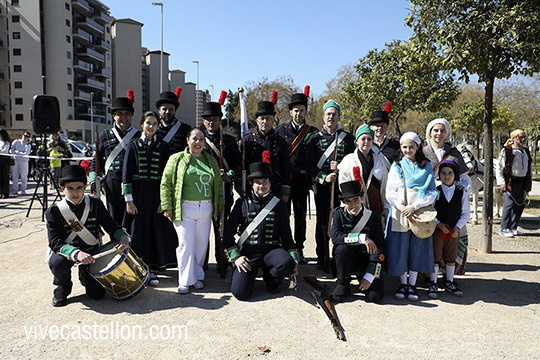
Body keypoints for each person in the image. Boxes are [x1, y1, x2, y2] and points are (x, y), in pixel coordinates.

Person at [46, 165, 130, 307]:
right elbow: (55, 243)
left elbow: (111, 226)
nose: (75, 193)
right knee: (57, 262)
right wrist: (76, 253)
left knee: (97, 295)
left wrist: (123, 238)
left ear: (85, 187)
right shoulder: (54, 211)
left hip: (92, 253)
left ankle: (85, 274)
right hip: (67, 253)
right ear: (62, 189)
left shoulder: (95, 204)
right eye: (70, 188)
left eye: (79, 187)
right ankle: (63, 285)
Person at [161, 127, 224, 294]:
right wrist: (167, 205)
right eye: (195, 139)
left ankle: (197, 276)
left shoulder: (210, 160)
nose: (198, 142)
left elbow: (217, 186)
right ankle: (184, 280)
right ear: (187, 140)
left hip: (205, 208)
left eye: (201, 139)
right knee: (185, 244)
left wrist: (219, 207)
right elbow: (166, 183)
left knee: (201, 245)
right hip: (184, 208)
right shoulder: (176, 159)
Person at [224, 162, 298, 301]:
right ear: (252, 184)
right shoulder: (242, 203)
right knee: (240, 293)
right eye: (258, 182)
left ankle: (270, 279)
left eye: (265, 182)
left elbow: (286, 234)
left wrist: (294, 260)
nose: (262, 186)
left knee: (287, 262)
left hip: (271, 250)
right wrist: (236, 257)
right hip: (249, 253)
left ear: (270, 183)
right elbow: (228, 233)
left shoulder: (279, 204)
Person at [122, 111, 178, 286]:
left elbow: (167, 176)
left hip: (156, 194)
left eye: (154, 123)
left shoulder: (164, 147)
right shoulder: (133, 146)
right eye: (148, 123)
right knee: (138, 231)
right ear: (141, 124)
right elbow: (126, 175)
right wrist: (129, 201)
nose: (151, 126)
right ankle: (137, 268)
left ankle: (152, 269)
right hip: (138, 195)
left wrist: (164, 200)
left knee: (156, 232)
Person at [385, 132, 438, 301]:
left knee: (418, 247)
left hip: (419, 210)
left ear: (417, 147)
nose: (408, 150)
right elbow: (390, 191)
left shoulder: (426, 166)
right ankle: (402, 283)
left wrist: (415, 206)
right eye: (404, 147)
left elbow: (432, 191)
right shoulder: (397, 166)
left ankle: (412, 284)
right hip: (401, 211)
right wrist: (402, 207)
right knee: (400, 248)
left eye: (411, 147)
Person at [305, 100, 355, 269]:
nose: (331, 117)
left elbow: (353, 162)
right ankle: (322, 257)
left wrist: (339, 168)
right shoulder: (314, 139)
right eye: (328, 114)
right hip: (323, 188)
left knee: (343, 222)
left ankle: (339, 258)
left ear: (338, 116)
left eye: (334, 114)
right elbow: (309, 164)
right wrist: (323, 177)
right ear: (323, 116)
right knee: (322, 223)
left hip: (342, 189)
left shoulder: (348, 138)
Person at [275, 89, 318, 264]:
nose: (298, 114)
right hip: (284, 181)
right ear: (290, 112)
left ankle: (299, 247)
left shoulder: (312, 132)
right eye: (295, 110)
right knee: (283, 216)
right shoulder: (280, 131)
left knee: (300, 217)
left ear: (305, 112)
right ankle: (285, 247)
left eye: (301, 110)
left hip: (302, 182)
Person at [423, 118, 471, 274]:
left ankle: (448, 275)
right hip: (429, 202)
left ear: (447, 133)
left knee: (452, 237)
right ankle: (430, 274)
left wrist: (463, 188)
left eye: (442, 130)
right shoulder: (422, 152)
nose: (439, 133)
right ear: (430, 132)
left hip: (451, 199)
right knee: (431, 238)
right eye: (435, 130)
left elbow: (463, 177)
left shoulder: (454, 153)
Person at [201, 100, 241, 273]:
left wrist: (228, 176)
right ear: (203, 122)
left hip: (223, 192)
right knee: (202, 232)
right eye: (208, 119)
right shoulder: (198, 140)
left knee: (221, 229)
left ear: (220, 120)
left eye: (215, 119)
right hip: (202, 193)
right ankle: (201, 265)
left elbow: (238, 166)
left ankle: (222, 264)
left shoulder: (229, 141)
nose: (211, 122)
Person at [90, 91, 140, 224]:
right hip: (112, 182)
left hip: (133, 181)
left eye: (127, 114)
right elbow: (97, 160)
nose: (124, 117)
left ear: (131, 115)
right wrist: (93, 181)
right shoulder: (104, 135)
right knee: (114, 218)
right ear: (113, 116)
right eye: (119, 114)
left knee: (133, 218)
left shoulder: (139, 136)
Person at [330, 180, 385, 303]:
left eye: (355, 200)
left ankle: (362, 276)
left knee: (374, 297)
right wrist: (361, 238)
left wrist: (370, 276)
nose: (353, 205)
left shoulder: (373, 217)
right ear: (343, 202)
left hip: (367, 260)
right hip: (347, 258)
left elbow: (380, 248)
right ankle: (343, 282)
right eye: (348, 201)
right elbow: (335, 237)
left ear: (362, 198)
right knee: (341, 248)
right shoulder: (339, 214)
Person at [429, 160, 468, 299]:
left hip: (453, 231)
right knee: (436, 256)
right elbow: (430, 210)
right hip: (438, 230)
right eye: (444, 173)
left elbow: (465, 213)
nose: (447, 176)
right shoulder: (435, 192)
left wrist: (457, 227)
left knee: (451, 256)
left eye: (450, 173)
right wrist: (438, 224)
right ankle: (433, 282)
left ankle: (449, 281)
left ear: (455, 175)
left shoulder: (461, 193)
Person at [242, 98, 291, 201]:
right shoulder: (248, 140)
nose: (265, 122)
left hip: (275, 188)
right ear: (257, 121)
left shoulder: (280, 141)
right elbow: (242, 165)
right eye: (262, 118)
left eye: (268, 118)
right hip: (253, 189)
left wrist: (285, 190)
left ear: (273, 120)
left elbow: (285, 167)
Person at [338, 124, 389, 221]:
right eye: (363, 139)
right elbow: (343, 185)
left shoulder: (380, 160)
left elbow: (385, 185)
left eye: (369, 139)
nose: (366, 142)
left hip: (376, 203)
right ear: (356, 141)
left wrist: (386, 206)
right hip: (355, 205)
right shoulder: (348, 160)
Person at [496, 129, 532, 238]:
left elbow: (528, 168)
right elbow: (499, 167)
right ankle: (504, 228)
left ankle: (513, 227)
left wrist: (528, 184)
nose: (523, 139)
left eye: (524, 137)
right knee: (508, 205)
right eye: (521, 137)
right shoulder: (507, 151)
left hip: (522, 182)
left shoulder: (526, 151)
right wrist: (501, 183)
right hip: (510, 181)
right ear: (514, 138)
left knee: (519, 206)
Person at [155, 88, 192, 156]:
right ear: (159, 110)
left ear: (175, 110)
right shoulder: (153, 128)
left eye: (171, 109)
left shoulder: (185, 129)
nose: (167, 112)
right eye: (164, 109)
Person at [0, 129, 11, 199]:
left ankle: (5, 192)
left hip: (4, 160)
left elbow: (5, 151)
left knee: (5, 176)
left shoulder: (7, 142)